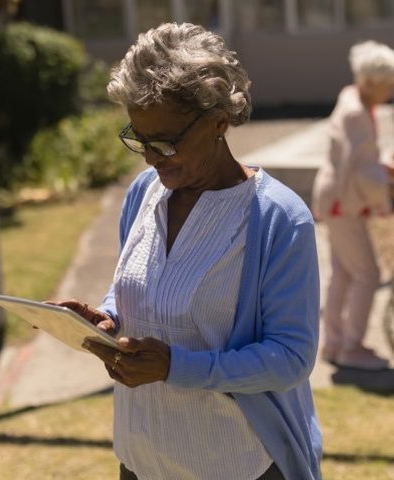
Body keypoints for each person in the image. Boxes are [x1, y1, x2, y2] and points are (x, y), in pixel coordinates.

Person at [51, 23, 321, 480]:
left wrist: (178, 367)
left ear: (219, 121)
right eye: (139, 139)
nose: (152, 157)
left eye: (166, 141)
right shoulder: (143, 193)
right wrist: (109, 318)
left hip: (237, 465)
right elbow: (134, 286)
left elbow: (291, 356)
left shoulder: (277, 218)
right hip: (142, 459)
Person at [311, 40, 394, 370]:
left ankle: (335, 343)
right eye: (389, 84)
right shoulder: (357, 112)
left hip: (337, 197)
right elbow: (363, 170)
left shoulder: (351, 99)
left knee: (342, 273)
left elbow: (360, 159)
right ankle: (352, 346)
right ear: (371, 82)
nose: (393, 90)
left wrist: (384, 168)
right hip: (345, 202)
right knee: (367, 273)